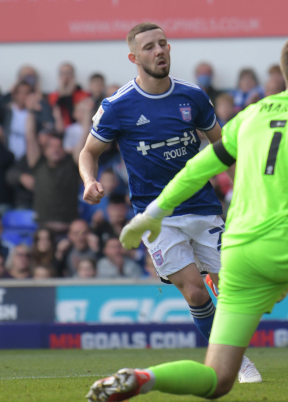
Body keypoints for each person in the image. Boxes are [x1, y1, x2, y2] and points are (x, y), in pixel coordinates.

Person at [89, 34, 288, 402]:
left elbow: (197, 169)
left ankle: (144, 377)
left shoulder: (251, 115)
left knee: (218, 378)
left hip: (240, 253)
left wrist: (152, 214)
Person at [78, 22, 261, 383]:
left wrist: (244, 192)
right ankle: (238, 363)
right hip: (156, 217)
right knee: (194, 290)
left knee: (233, 286)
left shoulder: (192, 96)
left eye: (163, 43)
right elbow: (89, 151)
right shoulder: (117, 106)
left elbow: (224, 147)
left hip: (203, 207)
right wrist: (89, 180)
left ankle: (224, 313)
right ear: (134, 57)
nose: (159, 50)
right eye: (149, 47)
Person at [47, 63, 91, 127]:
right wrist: (62, 93)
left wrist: (69, 92)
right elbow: (53, 112)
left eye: (68, 73)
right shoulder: (52, 96)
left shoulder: (83, 94)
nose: (66, 77)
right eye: (63, 73)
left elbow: (75, 115)